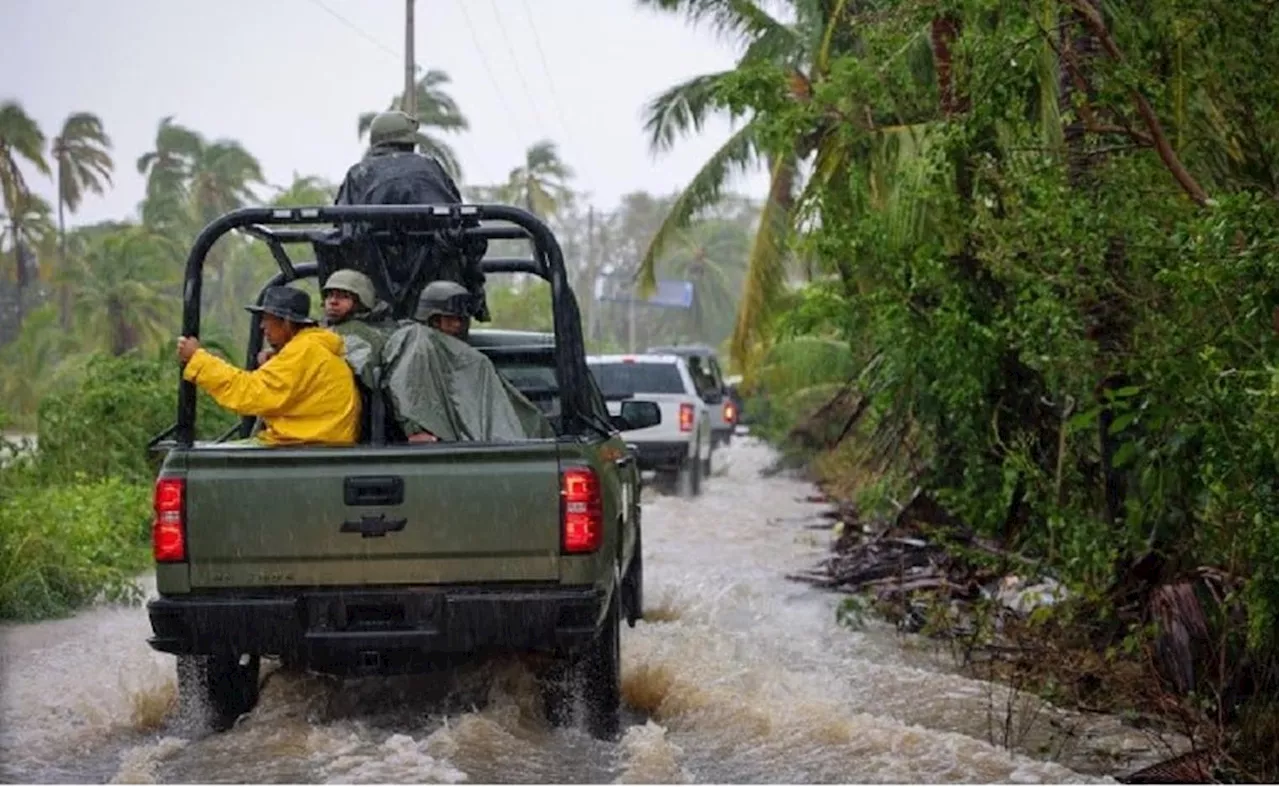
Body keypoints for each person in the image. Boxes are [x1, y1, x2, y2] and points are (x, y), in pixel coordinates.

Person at [177, 286, 361, 446]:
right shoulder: (311, 348)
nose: (262, 326)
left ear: (287, 322)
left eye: (267, 319)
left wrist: (198, 360)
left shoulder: (303, 351)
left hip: (303, 447)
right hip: (312, 443)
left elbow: (248, 393)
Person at [381, 280, 554, 443]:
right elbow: (411, 389)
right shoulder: (418, 343)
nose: (459, 325)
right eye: (451, 319)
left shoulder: (465, 357)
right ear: (433, 319)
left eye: (462, 319)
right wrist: (417, 429)